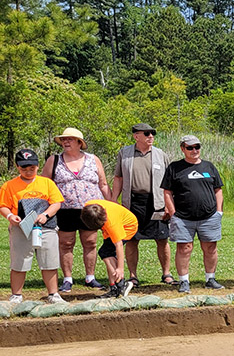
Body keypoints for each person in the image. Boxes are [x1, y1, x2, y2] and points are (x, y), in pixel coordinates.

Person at [43, 127, 109, 291]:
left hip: (90, 209)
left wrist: (111, 203)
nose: (65, 142)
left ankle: (90, 277)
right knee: (66, 243)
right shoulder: (55, 160)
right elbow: (45, 184)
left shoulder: (93, 159)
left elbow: (103, 184)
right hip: (64, 209)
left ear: (80, 143)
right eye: (63, 139)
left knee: (90, 242)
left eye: (70, 139)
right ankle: (67, 279)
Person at [111, 123, 171, 287]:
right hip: (132, 203)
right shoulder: (125, 153)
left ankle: (166, 273)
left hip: (156, 202)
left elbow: (168, 183)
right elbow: (118, 178)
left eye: (153, 133)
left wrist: (168, 204)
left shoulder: (161, 154)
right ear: (136, 136)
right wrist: (114, 200)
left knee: (162, 239)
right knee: (131, 240)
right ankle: (133, 275)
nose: (151, 136)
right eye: (147, 133)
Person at [162, 135, 224, 293]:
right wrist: (173, 212)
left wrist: (219, 211)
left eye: (197, 147)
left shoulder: (209, 167)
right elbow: (167, 191)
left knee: (210, 248)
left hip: (209, 216)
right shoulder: (174, 168)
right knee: (184, 248)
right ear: (183, 149)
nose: (194, 150)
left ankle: (210, 279)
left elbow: (218, 190)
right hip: (183, 218)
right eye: (190, 147)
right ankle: (184, 281)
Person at [2, 149, 65, 304]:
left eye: (32, 168)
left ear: (38, 166)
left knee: (49, 261)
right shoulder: (9, 185)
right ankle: (16, 295)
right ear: (17, 167)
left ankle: (53, 294)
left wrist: (45, 215)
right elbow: (3, 206)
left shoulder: (47, 183)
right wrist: (11, 216)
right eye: (24, 168)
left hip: (46, 226)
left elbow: (56, 203)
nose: (28, 171)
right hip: (21, 227)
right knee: (19, 261)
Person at [80, 199, 138, 298]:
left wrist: (120, 269)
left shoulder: (112, 223)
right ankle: (114, 287)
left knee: (106, 252)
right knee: (106, 253)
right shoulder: (88, 207)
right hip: (112, 224)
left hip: (127, 226)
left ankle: (121, 284)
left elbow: (118, 245)